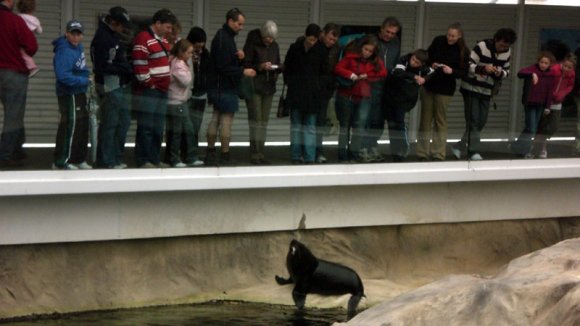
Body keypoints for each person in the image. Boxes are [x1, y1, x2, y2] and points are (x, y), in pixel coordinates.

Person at [452, 28, 517, 161]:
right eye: (501, 45)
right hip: (471, 87)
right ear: (495, 40)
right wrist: (483, 68)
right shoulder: (482, 46)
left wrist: (500, 73)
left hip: (487, 89)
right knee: (474, 120)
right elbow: (468, 64)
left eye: (506, 46)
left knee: (481, 121)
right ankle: (472, 151)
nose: (503, 48)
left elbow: (507, 71)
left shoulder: (507, 52)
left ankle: (459, 146)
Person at [205, 7, 256, 166]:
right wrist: (243, 70)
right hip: (225, 86)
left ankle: (211, 151)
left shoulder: (223, 37)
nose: (241, 28)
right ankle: (224, 153)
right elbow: (223, 66)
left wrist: (239, 58)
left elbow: (223, 63)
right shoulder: (224, 38)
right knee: (225, 120)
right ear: (230, 21)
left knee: (215, 118)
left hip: (218, 85)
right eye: (239, 24)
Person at [416, 22, 469, 161]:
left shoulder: (463, 51)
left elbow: (464, 72)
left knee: (440, 120)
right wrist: (431, 63)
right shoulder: (438, 40)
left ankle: (438, 153)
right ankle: (422, 153)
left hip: (446, 88)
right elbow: (427, 57)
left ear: (459, 36)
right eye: (448, 34)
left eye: (453, 36)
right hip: (429, 85)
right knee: (425, 120)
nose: (449, 38)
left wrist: (452, 71)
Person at [132, 8, 176, 168]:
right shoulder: (143, 38)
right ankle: (143, 159)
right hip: (149, 90)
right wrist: (149, 83)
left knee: (158, 127)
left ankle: (155, 158)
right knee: (146, 126)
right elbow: (139, 64)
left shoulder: (163, 41)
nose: (169, 31)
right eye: (167, 27)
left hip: (162, 90)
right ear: (157, 23)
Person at [90, 6, 132, 169]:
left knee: (122, 122)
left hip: (117, 84)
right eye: (121, 24)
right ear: (113, 22)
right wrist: (124, 68)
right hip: (109, 85)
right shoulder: (103, 38)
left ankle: (114, 157)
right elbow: (101, 66)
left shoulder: (111, 36)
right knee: (110, 123)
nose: (122, 28)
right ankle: (106, 160)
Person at [334, 35, 387, 162]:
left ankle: (354, 153)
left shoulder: (375, 61)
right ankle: (342, 155)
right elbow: (337, 68)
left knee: (359, 126)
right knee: (344, 126)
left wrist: (367, 75)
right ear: (361, 47)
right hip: (347, 95)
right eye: (365, 49)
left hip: (364, 96)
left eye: (370, 51)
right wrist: (350, 74)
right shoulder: (351, 57)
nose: (367, 53)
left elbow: (383, 73)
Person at [0, 0, 38, 168]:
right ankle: (8, 153)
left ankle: (14, 150)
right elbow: (31, 46)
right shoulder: (14, 20)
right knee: (13, 115)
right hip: (12, 72)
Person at [284, 23, 327, 164]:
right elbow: (287, 68)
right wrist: (290, 82)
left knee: (309, 127)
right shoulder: (294, 48)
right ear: (305, 35)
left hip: (312, 95)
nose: (312, 42)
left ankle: (309, 157)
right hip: (297, 93)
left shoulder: (321, 51)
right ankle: (296, 156)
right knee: (297, 127)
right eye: (310, 39)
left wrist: (319, 90)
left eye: (314, 40)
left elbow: (324, 74)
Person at [51, 19, 91, 170]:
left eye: (79, 34)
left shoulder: (77, 47)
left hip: (79, 91)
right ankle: (61, 161)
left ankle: (78, 158)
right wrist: (84, 81)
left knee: (81, 126)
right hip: (69, 93)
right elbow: (63, 76)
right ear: (67, 33)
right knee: (70, 126)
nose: (76, 37)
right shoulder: (65, 51)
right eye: (73, 33)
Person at [242, 20, 282, 165]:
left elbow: (278, 61)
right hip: (255, 86)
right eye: (267, 38)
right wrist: (260, 66)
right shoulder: (252, 43)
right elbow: (246, 64)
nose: (269, 40)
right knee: (256, 120)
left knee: (264, 122)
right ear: (262, 34)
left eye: (272, 38)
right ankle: (254, 153)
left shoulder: (274, 46)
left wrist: (277, 67)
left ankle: (261, 152)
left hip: (269, 86)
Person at [362, 16, 401, 163]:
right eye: (387, 31)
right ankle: (363, 147)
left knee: (378, 119)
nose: (389, 35)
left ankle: (372, 146)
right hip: (370, 84)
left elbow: (396, 61)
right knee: (367, 117)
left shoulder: (396, 42)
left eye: (393, 33)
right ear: (381, 29)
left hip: (387, 86)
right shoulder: (372, 40)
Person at [385, 49, 434, 162]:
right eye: (413, 59)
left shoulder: (424, 69)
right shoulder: (403, 60)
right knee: (392, 124)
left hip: (406, 99)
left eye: (417, 63)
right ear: (411, 56)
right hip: (392, 96)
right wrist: (414, 77)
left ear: (422, 64)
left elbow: (432, 72)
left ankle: (403, 147)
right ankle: (395, 152)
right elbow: (398, 72)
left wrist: (424, 79)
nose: (413, 63)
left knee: (399, 121)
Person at [510, 51, 556, 158]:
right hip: (530, 103)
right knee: (532, 128)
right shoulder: (532, 69)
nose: (543, 65)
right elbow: (520, 73)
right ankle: (525, 151)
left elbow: (550, 92)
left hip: (540, 104)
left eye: (546, 63)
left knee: (530, 128)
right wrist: (532, 74)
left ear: (550, 65)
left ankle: (517, 146)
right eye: (541, 62)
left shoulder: (550, 75)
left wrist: (548, 106)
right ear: (538, 62)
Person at [533, 53, 576, 158]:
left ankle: (540, 143)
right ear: (562, 63)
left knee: (553, 126)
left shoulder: (571, 73)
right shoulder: (554, 69)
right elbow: (546, 82)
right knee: (541, 125)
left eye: (569, 68)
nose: (566, 69)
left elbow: (570, 85)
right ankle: (540, 148)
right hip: (547, 101)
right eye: (565, 66)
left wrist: (562, 94)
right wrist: (551, 93)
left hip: (558, 102)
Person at [167, 39, 197, 167]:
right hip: (176, 101)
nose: (191, 56)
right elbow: (186, 81)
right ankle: (174, 158)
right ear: (181, 52)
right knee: (177, 132)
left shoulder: (179, 62)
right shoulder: (177, 64)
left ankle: (190, 156)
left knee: (188, 130)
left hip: (180, 101)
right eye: (189, 53)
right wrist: (189, 72)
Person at [316, 23, 341, 163]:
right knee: (308, 121)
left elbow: (335, 69)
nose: (331, 42)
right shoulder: (315, 45)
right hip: (313, 89)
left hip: (326, 90)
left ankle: (318, 151)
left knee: (320, 121)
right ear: (323, 33)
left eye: (334, 40)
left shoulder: (336, 49)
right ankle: (306, 151)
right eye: (330, 38)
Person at [184, 27, 209, 167]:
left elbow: (209, 70)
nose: (200, 47)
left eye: (202, 43)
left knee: (195, 127)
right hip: (188, 94)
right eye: (197, 44)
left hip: (201, 94)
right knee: (185, 127)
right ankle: (185, 154)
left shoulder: (205, 54)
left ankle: (192, 154)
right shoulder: (185, 53)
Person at [16, 0, 41, 77]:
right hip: (31, 40)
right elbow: (40, 31)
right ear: (33, 8)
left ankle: (32, 67)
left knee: (22, 53)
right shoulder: (35, 19)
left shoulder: (18, 17)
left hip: (21, 39)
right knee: (26, 54)